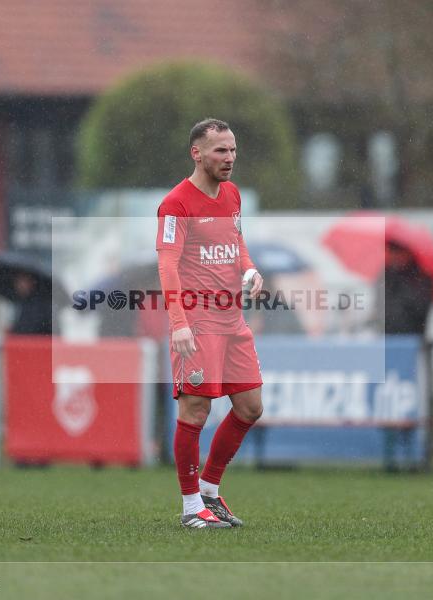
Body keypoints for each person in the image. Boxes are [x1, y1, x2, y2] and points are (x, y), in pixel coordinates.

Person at [156, 118, 264, 529]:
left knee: (251, 406)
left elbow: (237, 242)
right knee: (196, 410)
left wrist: (251, 269)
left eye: (233, 149)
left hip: (232, 319)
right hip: (197, 322)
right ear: (196, 153)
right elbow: (167, 264)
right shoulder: (176, 204)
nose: (230, 158)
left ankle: (210, 492)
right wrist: (179, 322)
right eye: (221, 150)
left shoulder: (232, 195)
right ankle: (189, 509)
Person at [379, 241, 433, 336]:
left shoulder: (421, 277)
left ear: (407, 253)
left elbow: (422, 308)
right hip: (388, 335)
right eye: (391, 251)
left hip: (412, 335)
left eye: (397, 252)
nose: (393, 257)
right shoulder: (386, 275)